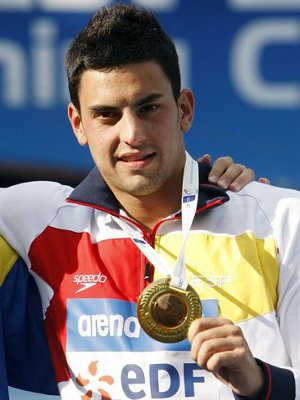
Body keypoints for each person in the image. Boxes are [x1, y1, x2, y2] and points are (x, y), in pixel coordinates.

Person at [0, 3, 298, 399]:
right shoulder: (36, 218)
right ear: (78, 124)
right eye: (107, 115)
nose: (133, 134)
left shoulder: (281, 220)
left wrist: (261, 381)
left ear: (184, 110)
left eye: (148, 107)